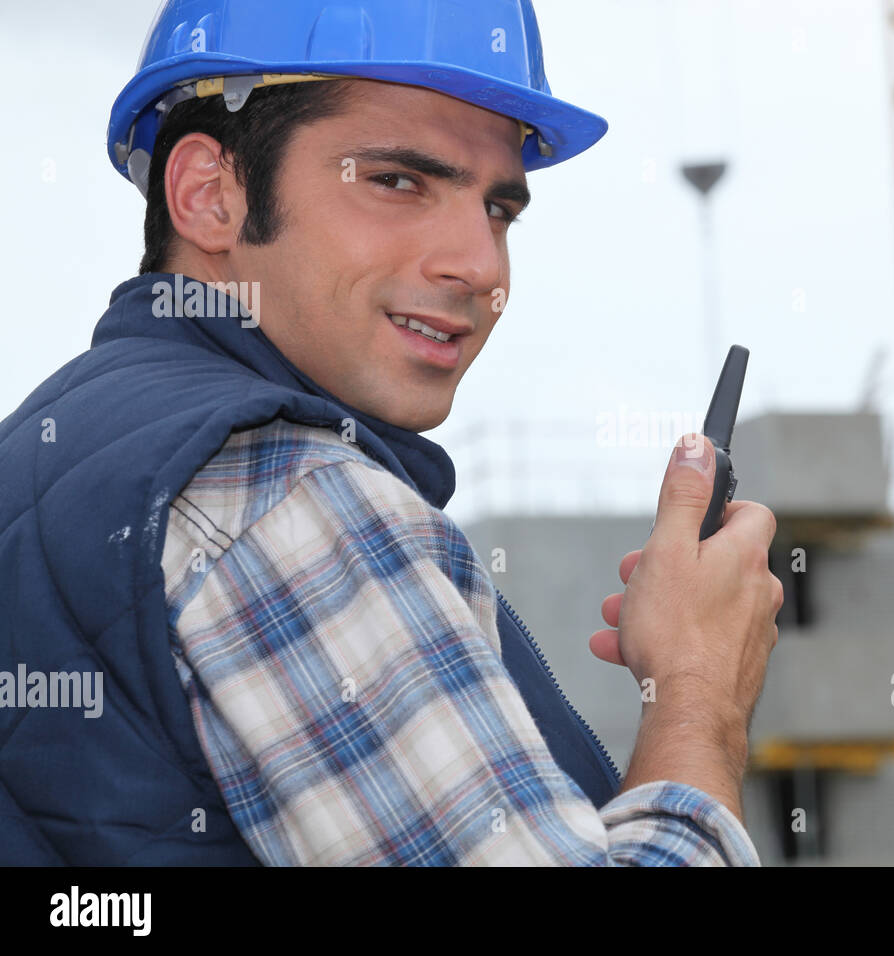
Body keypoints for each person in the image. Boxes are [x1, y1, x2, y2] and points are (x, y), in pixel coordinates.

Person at [0, 0, 781, 865]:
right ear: (210, 195)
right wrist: (697, 690)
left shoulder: (48, 456)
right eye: (396, 182)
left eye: (498, 211)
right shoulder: (284, 493)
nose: (480, 266)